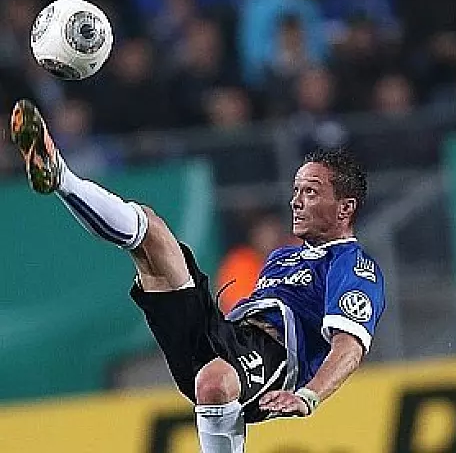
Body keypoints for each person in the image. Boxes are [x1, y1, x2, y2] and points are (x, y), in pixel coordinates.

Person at [8, 98, 385, 453]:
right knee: (151, 231)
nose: (295, 201)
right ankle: (60, 176)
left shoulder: (353, 265)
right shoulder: (282, 257)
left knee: (215, 381)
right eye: (296, 190)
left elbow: (349, 348)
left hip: (274, 359)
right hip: (227, 333)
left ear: (345, 208)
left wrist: (309, 396)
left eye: (311, 192)